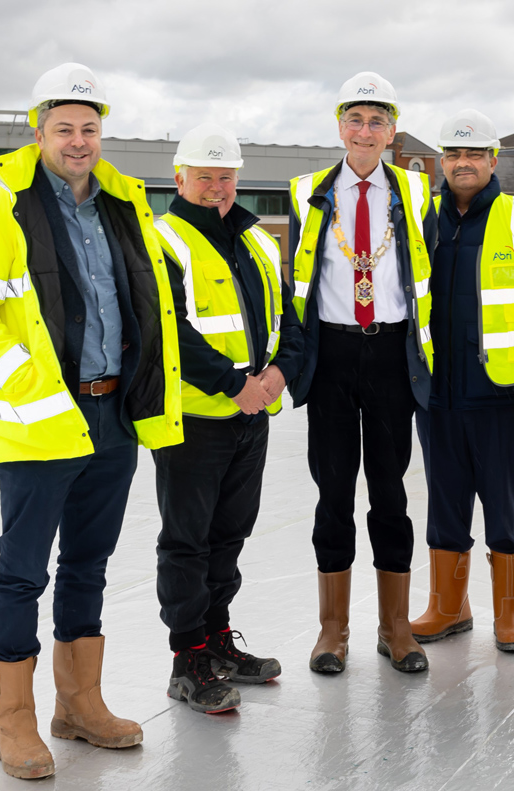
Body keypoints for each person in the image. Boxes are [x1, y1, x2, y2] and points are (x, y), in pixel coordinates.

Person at [0, 63, 182, 778]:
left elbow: (148, 304)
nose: (78, 142)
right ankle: (13, 723)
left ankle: (79, 703)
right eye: (64, 129)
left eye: (89, 129)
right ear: (38, 130)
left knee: (89, 564)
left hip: (113, 414)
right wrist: (29, 382)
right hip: (38, 421)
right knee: (22, 572)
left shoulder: (120, 203)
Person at [287, 71, 437, 674]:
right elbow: (291, 285)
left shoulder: (416, 191)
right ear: (340, 126)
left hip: (391, 354)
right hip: (332, 357)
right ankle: (333, 629)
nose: (366, 131)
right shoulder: (306, 192)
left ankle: (396, 628)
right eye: (356, 119)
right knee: (332, 492)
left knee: (390, 492)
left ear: (392, 130)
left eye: (378, 121)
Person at [150, 122, 303, 714]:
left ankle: (217, 640)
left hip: (251, 415)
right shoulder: (163, 241)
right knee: (186, 541)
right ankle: (186, 658)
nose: (217, 186)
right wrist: (234, 385)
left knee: (229, 534)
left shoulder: (261, 241)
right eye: (205, 175)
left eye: (226, 176)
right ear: (179, 177)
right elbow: (169, 332)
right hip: (194, 419)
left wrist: (278, 376)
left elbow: (289, 319)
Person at [408, 109, 514, 653]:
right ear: (440, 162)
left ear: (493, 160)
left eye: (474, 154)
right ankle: (448, 608)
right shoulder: (420, 218)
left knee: (503, 504)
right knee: (443, 503)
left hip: (502, 396)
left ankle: (509, 615)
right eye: (453, 154)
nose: (463, 163)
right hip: (437, 394)